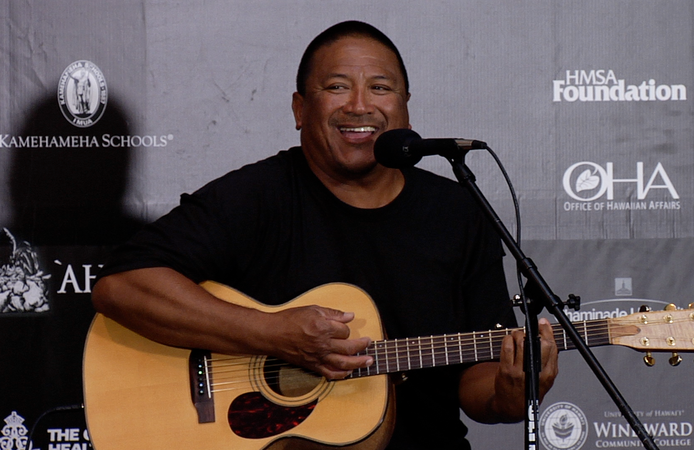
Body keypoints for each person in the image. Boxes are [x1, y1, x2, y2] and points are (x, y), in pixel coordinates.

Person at [91, 20, 558, 450]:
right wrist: (272, 335)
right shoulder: (257, 196)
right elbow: (123, 284)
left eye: (380, 88)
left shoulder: (459, 210)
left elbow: (478, 381)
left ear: (405, 110)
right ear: (299, 108)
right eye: (337, 87)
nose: (359, 105)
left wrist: (509, 394)